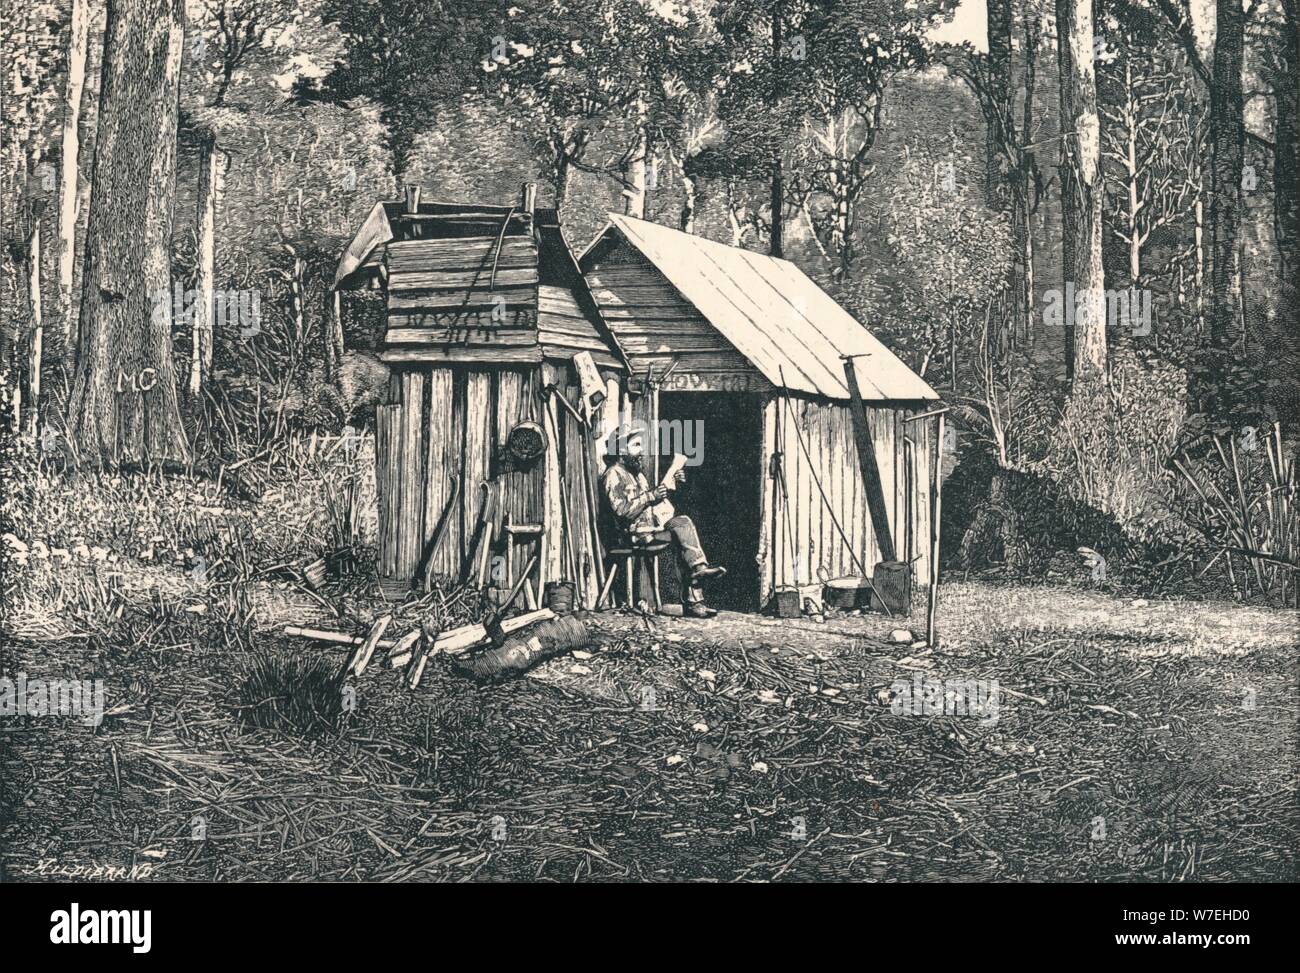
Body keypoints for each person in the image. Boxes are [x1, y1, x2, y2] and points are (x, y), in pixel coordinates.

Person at [600, 422, 725, 618]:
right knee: (681, 535)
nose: (641, 451)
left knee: (682, 523)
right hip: (631, 535)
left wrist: (672, 483)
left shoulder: (638, 475)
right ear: (622, 449)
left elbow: (652, 507)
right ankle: (694, 600)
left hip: (649, 529)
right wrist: (651, 496)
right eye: (636, 446)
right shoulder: (613, 474)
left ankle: (699, 570)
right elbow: (621, 511)